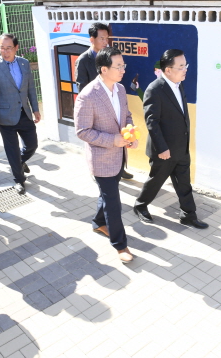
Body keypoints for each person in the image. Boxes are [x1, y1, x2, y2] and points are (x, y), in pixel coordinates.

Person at [133, 49, 208, 229]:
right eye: (181, 66)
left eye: (185, 66)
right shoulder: (155, 89)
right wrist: (162, 148)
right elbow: (152, 122)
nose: (185, 70)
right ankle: (140, 205)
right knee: (156, 181)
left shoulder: (178, 84)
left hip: (181, 147)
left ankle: (188, 215)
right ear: (168, 70)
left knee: (184, 184)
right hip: (164, 150)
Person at [74, 47, 136, 263]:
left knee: (107, 195)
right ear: (103, 69)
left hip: (119, 156)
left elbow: (126, 116)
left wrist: (130, 133)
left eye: (123, 65)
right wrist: (113, 140)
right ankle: (120, 245)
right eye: (118, 66)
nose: (123, 70)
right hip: (101, 160)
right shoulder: (88, 95)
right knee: (114, 202)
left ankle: (98, 222)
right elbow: (82, 131)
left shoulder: (119, 89)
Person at [75, 22, 133, 180]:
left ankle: (121, 167)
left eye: (107, 38)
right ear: (91, 39)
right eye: (101, 38)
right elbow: (81, 87)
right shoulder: (83, 60)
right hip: (95, 111)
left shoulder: (118, 83)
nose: (105, 41)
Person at [0, 34, 40, 194]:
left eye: (9, 48)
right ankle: (19, 179)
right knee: (12, 150)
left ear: (16, 48)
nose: (5, 51)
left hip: (25, 112)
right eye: (2, 47)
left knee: (32, 144)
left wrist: (35, 109)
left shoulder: (24, 63)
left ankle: (20, 162)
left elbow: (31, 88)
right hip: (5, 116)